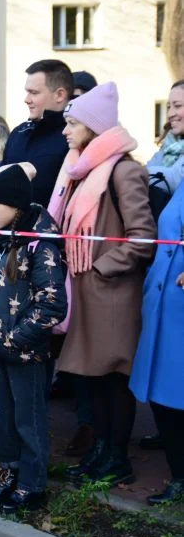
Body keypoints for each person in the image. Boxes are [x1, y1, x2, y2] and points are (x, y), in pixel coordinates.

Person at [47, 82, 157, 486]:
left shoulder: (124, 170)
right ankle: (101, 451)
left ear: (93, 126)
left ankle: (116, 457)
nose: (65, 130)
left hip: (110, 294)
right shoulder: (81, 170)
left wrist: (102, 268)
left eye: (72, 122)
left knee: (113, 379)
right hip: (84, 292)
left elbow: (143, 236)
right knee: (88, 378)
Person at [0, 165, 68, 513]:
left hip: (23, 355)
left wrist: (13, 339)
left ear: (16, 205)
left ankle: (32, 485)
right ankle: (10, 473)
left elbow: (52, 303)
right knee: (2, 417)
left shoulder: (41, 245)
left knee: (28, 419)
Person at [129, 184, 184, 504]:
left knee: (175, 393)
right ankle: (177, 462)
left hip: (177, 308)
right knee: (165, 395)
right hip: (165, 302)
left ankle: (180, 476)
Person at [3, 59, 73, 205]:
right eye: (27, 92)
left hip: (52, 225)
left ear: (59, 95)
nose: (26, 100)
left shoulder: (74, 136)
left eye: (34, 93)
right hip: (9, 227)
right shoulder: (18, 134)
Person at [146, 79, 184, 195]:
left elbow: (176, 179)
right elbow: (150, 167)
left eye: (177, 106)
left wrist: (133, 173)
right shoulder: (171, 142)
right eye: (168, 107)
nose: (170, 114)